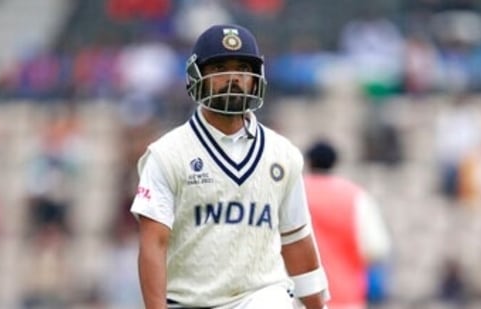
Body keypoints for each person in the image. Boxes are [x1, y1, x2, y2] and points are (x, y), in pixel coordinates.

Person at [130, 24, 328, 309]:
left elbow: (296, 241)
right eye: (220, 67)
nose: (233, 77)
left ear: (255, 77)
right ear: (197, 76)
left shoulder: (283, 155)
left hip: (261, 297)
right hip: (189, 301)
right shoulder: (166, 154)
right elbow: (153, 244)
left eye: (242, 68)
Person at [303, 141, 391, 309]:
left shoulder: (296, 192)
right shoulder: (355, 196)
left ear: (309, 162)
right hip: (346, 299)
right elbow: (376, 248)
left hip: (301, 299)